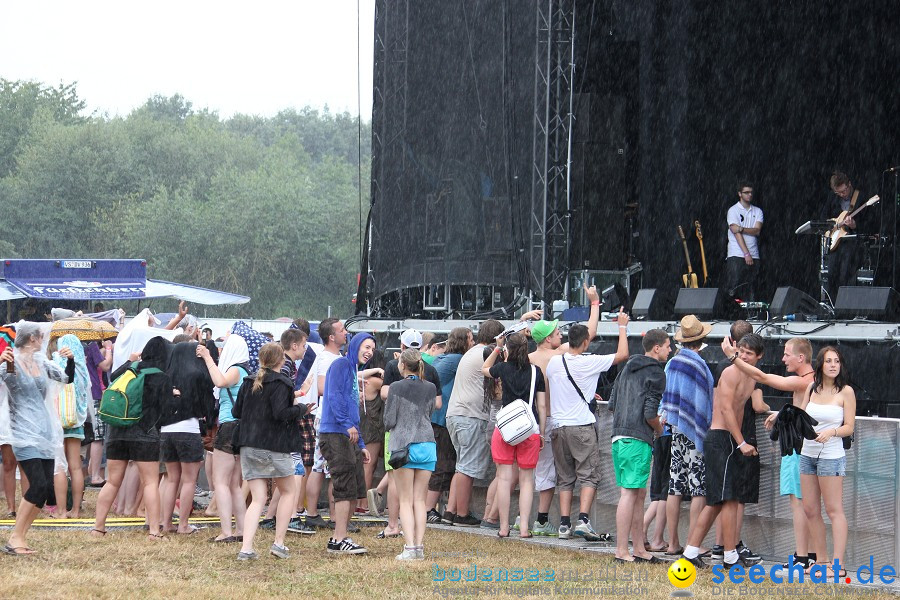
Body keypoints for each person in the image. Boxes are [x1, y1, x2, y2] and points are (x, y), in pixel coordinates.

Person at [729, 335, 815, 570]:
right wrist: (783, 412)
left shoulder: (804, 381)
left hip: (796, 451)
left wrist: (733, 357)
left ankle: (802, 556)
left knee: (798, 503)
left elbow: (762, 377)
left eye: (787, 354)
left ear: (801, 357)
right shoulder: (809, 382)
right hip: (800, 450)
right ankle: (811, 554)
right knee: (806, 504)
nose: (783, 358)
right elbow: (802, 410)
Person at [545, 308, 630, 541]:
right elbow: (622, 354)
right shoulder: (590, 362)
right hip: (582, 426)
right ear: (584, 343)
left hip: (558, 427)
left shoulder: (554, 363)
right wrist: (622, 326)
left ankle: (564, 525)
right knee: (589, 475)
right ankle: (583, 520)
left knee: (564, 477)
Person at [681, 334, 765, 569]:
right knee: (728, 499)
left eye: (750, 353)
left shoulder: (751, 376)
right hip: (721, 439)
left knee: (717, 501)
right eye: (742, 351)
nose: (744, 356)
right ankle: (730, 556)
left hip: (730, 440)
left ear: (759, 356)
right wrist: (741, 442)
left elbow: (752, 404)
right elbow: (726, 409)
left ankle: (690, 552)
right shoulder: (729, 372)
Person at [231, 342, 313, 560]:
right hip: (275, 445)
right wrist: (302, 409)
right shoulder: (283, 383)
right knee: (288, 491)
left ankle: (246, 548)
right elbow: (281, 413)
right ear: (280, 360)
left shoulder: (248, 381)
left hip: (249, 444)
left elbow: (236, 411)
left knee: (258, 498)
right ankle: (278, 543)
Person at [91, 336, 173, 541]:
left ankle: (98, 528)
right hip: (145, 433)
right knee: (150, 483)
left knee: (112, 482)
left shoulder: (128, 370)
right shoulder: (162, 377)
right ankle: (154, 531)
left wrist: (130, 361)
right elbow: (166, 411)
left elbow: (112, 381)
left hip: (117, 431)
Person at [0, 322, 72, 554]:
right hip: (23, 433)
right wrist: (0, 361)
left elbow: (66, 378)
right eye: (41, 337)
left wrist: (70, 360)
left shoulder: (41, 363)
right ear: (32, 338)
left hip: (44, 432)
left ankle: (19, 537)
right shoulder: (11, 361)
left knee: (43, 489)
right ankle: (15, 537)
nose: (43, 341)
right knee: (37, 484)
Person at [608, 328, 670, 562]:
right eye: (667, 345)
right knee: (629, 493)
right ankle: (622, 550)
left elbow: (612, 404)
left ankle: (639, 549)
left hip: (618, 436)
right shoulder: (657, 373)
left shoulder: (626, 368)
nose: (669, 349)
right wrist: (659, 428)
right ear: (657, 348)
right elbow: (649, 413)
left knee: (638, 493)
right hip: (638, 438)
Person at [318, 332, 382, 555]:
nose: (369, 351)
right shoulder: (341, 365)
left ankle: (341, 536)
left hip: (349, 436)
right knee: (344, 486)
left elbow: (353, 411)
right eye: (366, 346)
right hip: (335, 433)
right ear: (354, 345)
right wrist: (347, 425)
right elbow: (333, 396)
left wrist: (362, 443)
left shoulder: (353, 371)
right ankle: (339, 538)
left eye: (372, 349)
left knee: (354, 488)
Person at [481, 332, 546, 539]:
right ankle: (524, 528)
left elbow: (484, 369)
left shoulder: (502, 368)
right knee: (527, 481)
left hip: (505, 428)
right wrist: (541, 432)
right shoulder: (536, 372)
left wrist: (498, 348)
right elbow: (542, 405)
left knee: (503, 478)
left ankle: (503, 527)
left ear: (508, 349)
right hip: (529, 428)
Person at [659, 315, 715, 556]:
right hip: (695, 434)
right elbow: (704, 402)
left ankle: (673, 543)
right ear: (701, 339)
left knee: (675, 486)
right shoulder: (699, 366)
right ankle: (693, 543)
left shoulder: (672, 363)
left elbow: (667, 396)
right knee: (698, 489)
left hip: (676, 431)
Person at [798, 346, 855, 579]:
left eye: (837, 361)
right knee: (811, 509)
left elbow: (849, 427)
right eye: (829, 361)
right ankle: (821, 560)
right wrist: (780, 417)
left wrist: (832, 431)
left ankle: (838, 565)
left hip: (831, 456)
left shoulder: (846, 392)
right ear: (820, 364)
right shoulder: (812, 387)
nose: (833, 365)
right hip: (807, 453)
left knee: (834, 510)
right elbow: (799, 415)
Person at [444, 319, 505, 527]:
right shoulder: (487, 353)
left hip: (456, 414)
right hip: (471, 416)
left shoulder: (471, 352)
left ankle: (450, 511)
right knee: (468, 469)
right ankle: (462, 515)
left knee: (462, 466)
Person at [383, 349, 438, 560]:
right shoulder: (431, 387)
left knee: (405, 500)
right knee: (420, 500)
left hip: (403, 447)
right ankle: (420, 546)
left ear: (402, 365)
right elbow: (430, 411)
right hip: (427, 445)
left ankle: (410, 547)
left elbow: (389, 420)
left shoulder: (396, 387)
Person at [197, 334, 251, 543]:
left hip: (228, 427)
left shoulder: (235, 370)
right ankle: (240, 529)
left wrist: (208, 358)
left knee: (221, 482)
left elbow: (219, 381)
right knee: (235, 484)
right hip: (241, 428)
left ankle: (227, 531)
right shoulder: (246, 371)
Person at [159, 341, 216, 534]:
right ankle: (183, 525)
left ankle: (166, 524)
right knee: (189, 480)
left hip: (166, 430)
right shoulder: (196, 375)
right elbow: (207, 403)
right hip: (188, 429)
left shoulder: (166, 375)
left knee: (172, 479)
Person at [298, 317, 346, 529]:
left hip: (333, 418)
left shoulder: (337, 355)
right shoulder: (327, 358)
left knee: (325, 467)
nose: (346, 332)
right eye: (342, 329)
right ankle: (313, 513)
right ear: (331, 337)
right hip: (328, 418)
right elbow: (322, 386)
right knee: (319, 466)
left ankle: (324, 515)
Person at [429, 327, 472, 525]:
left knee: (438, 464)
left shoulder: (442, 358)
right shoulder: (458, 360)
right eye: (470, 339)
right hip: (443, 418)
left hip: (435, 417)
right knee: (443, 464)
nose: (472, 343)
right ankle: (429, 509)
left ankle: (433, 507)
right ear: (463, 341)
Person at [50, 334, 91, 518]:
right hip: (75, 421)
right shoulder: (82, 369)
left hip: (58, 421)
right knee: (75, 467)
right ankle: (75, 509)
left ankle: (60, 510)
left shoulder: (56, 362)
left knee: (60, 467)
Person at [820, 172, 867, 302]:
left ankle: (846, 305)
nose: (842, 194)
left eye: (844, 191)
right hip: (835, 243)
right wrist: (833, 224)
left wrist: (854, 224)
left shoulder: (860, 197)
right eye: (838, 193)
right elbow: (823, 216)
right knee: (831, 275)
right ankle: (833, 306)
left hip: (851, 244)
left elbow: (869, 221)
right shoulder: (832, 198)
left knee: (846, 274)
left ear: (849, 184)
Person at [725, 182, 763, 300]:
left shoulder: (757, 211)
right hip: (737, 254)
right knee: (735, 287)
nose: (749, 195)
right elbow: (736, 234)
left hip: (754, 254)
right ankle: (734, 314)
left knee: (751, 286)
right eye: (746, 192)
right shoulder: (733, 210)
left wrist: (741, 228)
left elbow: (757, 231)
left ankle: (751, 315)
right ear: (740, 194)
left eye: (751, 192)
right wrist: (746, 254)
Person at [84, 340, 113, 487]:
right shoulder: (91, 345)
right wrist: (108, 348)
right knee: (97, 436)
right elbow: (105, 365)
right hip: (95, 393)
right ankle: (95, 475)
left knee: (89, 435)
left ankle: (90, 471)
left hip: (82, 394)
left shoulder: (75, 345)